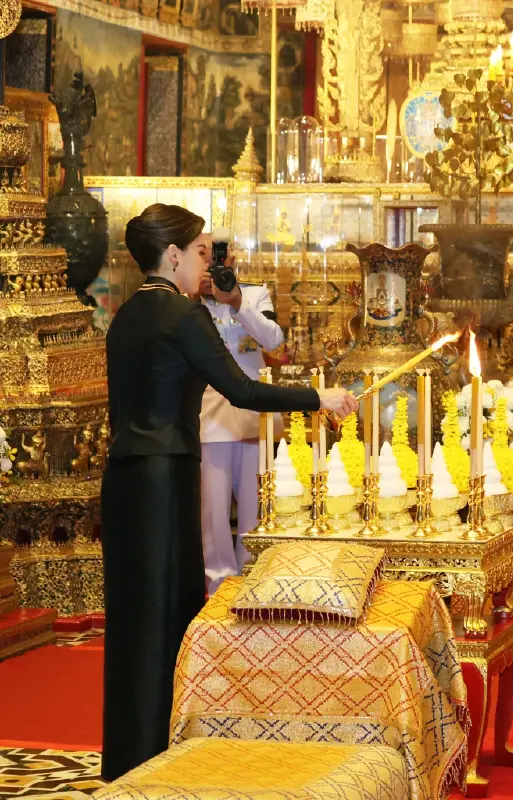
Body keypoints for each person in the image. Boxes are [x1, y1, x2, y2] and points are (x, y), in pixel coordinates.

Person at [101, 203, 357, 782]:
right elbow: (243, 389)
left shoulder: (126, 316)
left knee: (131, 621)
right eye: (199, 252)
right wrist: (319, 400)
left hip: (122, 481)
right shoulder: (182, 315)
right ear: (173, 255)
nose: (205, 266)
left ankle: (124, 762)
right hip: (166, 478)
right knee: (170, 617)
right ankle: (163, 761)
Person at [197, 244, 284, 594]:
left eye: (222, 256)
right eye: (206, 255)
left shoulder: (254, 294)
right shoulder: (190, 300)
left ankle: (253, 580)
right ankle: (217, 586)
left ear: (233, 260)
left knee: (255, 508)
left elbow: (273, 339)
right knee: (213, 511)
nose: (217, 263)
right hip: (210, 414)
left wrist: (236, 301)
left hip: (252, 414)